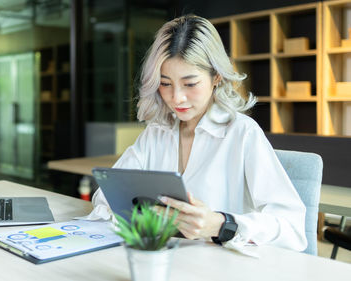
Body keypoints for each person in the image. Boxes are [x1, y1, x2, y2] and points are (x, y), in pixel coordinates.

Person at [91, 14, 307, 251]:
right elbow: (105, 197)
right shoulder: (157, 133)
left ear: (216, 76)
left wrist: (222, 225)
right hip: (165, 261)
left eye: (190, 84)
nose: (177, 98)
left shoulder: (242, 134)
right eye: (165, 83)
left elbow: (292, 230)